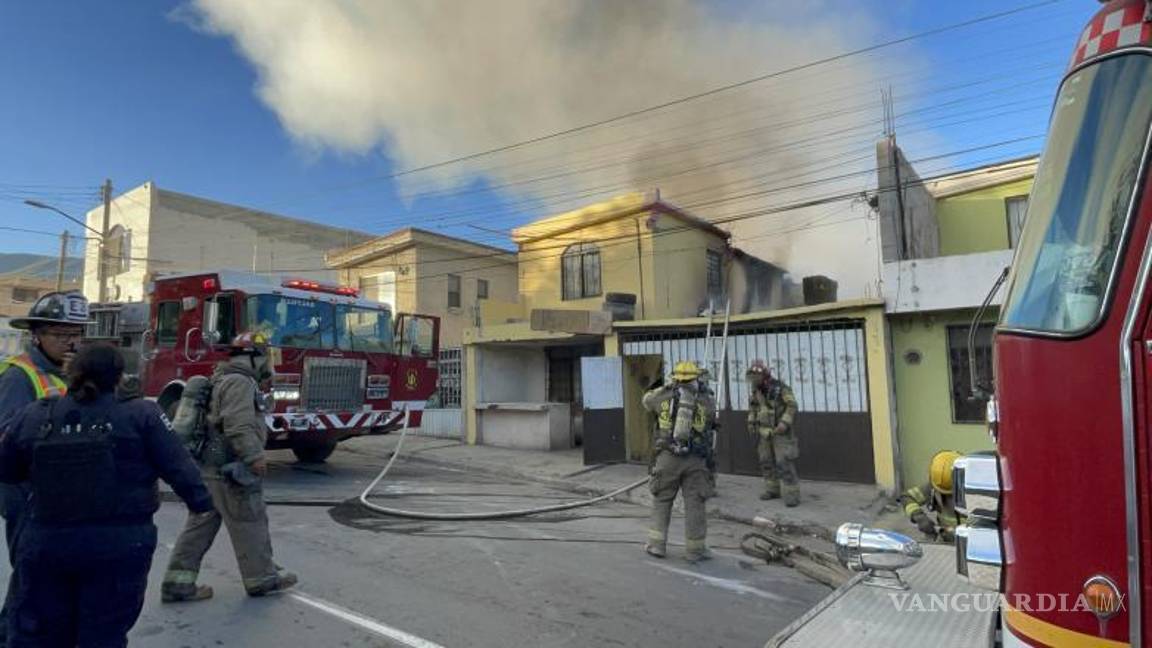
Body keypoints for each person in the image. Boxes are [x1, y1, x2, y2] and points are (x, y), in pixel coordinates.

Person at [0, 344, 213, 647]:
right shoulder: (142, 415)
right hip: (119, 547)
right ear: (119, 378)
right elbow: (180, 466)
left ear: (70, 373)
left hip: (47, 543)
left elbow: (7, 470)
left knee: (40, 634)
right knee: (104, 634)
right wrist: (201, 502)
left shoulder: (36, 414)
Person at [161, 332, 298, 602]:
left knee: (200, 525)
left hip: (211, 469)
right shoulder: (240, 382)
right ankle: (261, 578)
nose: (269, 363)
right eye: (266, 356)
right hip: (231, 469)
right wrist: (254, 456)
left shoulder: (222, 377)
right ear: (253, 357)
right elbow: (238, 424)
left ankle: (177, 582)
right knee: (250, 519)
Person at [0, 291, 92, 643]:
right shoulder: (18, 377)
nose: (71, 342)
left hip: (60, 493)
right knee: (32, 574)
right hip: (26, 491)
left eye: (76, 334)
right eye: (60, 334)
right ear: (36, 335)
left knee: (39, 578)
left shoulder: (75, 374)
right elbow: (9, 439)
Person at [641, 360, 716, 563]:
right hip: (695, 459)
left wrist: (665, 387)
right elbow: (711, 420)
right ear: (696, 378)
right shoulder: (706, 399)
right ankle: (695, 550)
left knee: (662, 500)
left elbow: (646, 401)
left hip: (667, 457)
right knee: (695, 503)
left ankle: (656, 545)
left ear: (675, 378)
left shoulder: (663, 396)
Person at [745, 360, 800, 506]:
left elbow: (792, 405)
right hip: (764, 432)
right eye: (752, 376)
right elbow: (753, 407)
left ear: (764, 375)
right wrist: (751, 422)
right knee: (766, 460)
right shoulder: (756, 390)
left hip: (780, 432)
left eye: (756, 376)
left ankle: (792, 495)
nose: (753, 380)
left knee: (784, 461)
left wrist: (784, 422)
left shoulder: (780, 388)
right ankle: (772, 489)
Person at [901, 450, 964, 542]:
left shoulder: (976, 490)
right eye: (942, 491)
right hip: (946, 542)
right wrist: (919, 517)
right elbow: (907, 497)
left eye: (950, 493)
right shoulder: (935, 486)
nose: (946, 496)